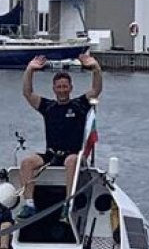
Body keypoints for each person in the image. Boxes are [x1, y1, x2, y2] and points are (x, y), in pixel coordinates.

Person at [17, 52, 102, 218]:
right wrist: (29, 70)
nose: (62, 90)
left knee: (71, 161)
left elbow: (96, 89)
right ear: (54, 89)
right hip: (51, 154)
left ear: (70, 88)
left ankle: (68, 203)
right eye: (59, 87)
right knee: (27, 162)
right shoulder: (48, 107)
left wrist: (96, 68)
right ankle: (29, 204)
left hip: (74, 155)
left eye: (65, 86)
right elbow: (27, 93)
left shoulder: (80, 105)